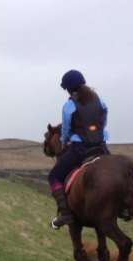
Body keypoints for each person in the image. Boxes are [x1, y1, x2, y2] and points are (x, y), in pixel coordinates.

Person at [48, 70, 110, 229]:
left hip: (80, 148)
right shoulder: (99, 100)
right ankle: (124, 209)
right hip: (101, 147)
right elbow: (104, 120)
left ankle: (65, 214)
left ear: (69, 89)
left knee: (54, 176)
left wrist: (64, 141)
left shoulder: (69, 105)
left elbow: (66, 130)